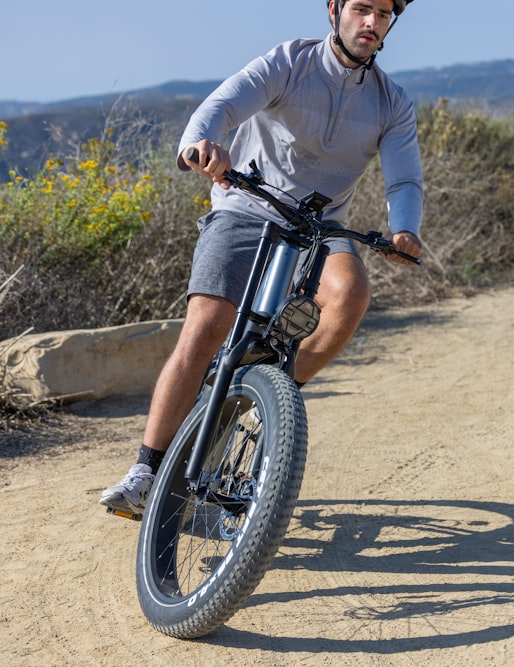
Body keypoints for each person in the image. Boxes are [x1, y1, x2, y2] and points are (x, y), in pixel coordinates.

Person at [100, 0, 423, 517]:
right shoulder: (290, 62)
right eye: (362, 8)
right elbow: (222, 105)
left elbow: (403, 177)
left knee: (351, 295)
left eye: (384, 15)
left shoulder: (391, 101)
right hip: (247, 205)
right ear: (334, 10)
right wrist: (202, 144)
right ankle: (145, 470)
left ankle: (264, 400)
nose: (372, 22)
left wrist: (406, 229)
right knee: (207, 326)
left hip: (320, 227)